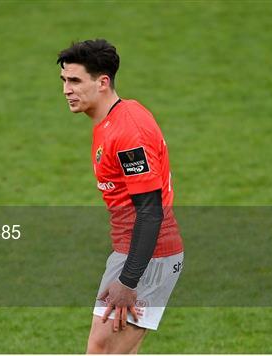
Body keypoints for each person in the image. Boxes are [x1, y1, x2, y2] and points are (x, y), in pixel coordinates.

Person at [57, 39, 184, 354]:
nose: (66, 90)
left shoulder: (128, 133)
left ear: (102, 82)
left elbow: (151, 211)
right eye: (63, 81)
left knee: (103, 351)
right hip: (131, 250)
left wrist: (128, 281)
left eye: (75, 81)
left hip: (148, 256)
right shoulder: (113, 120)